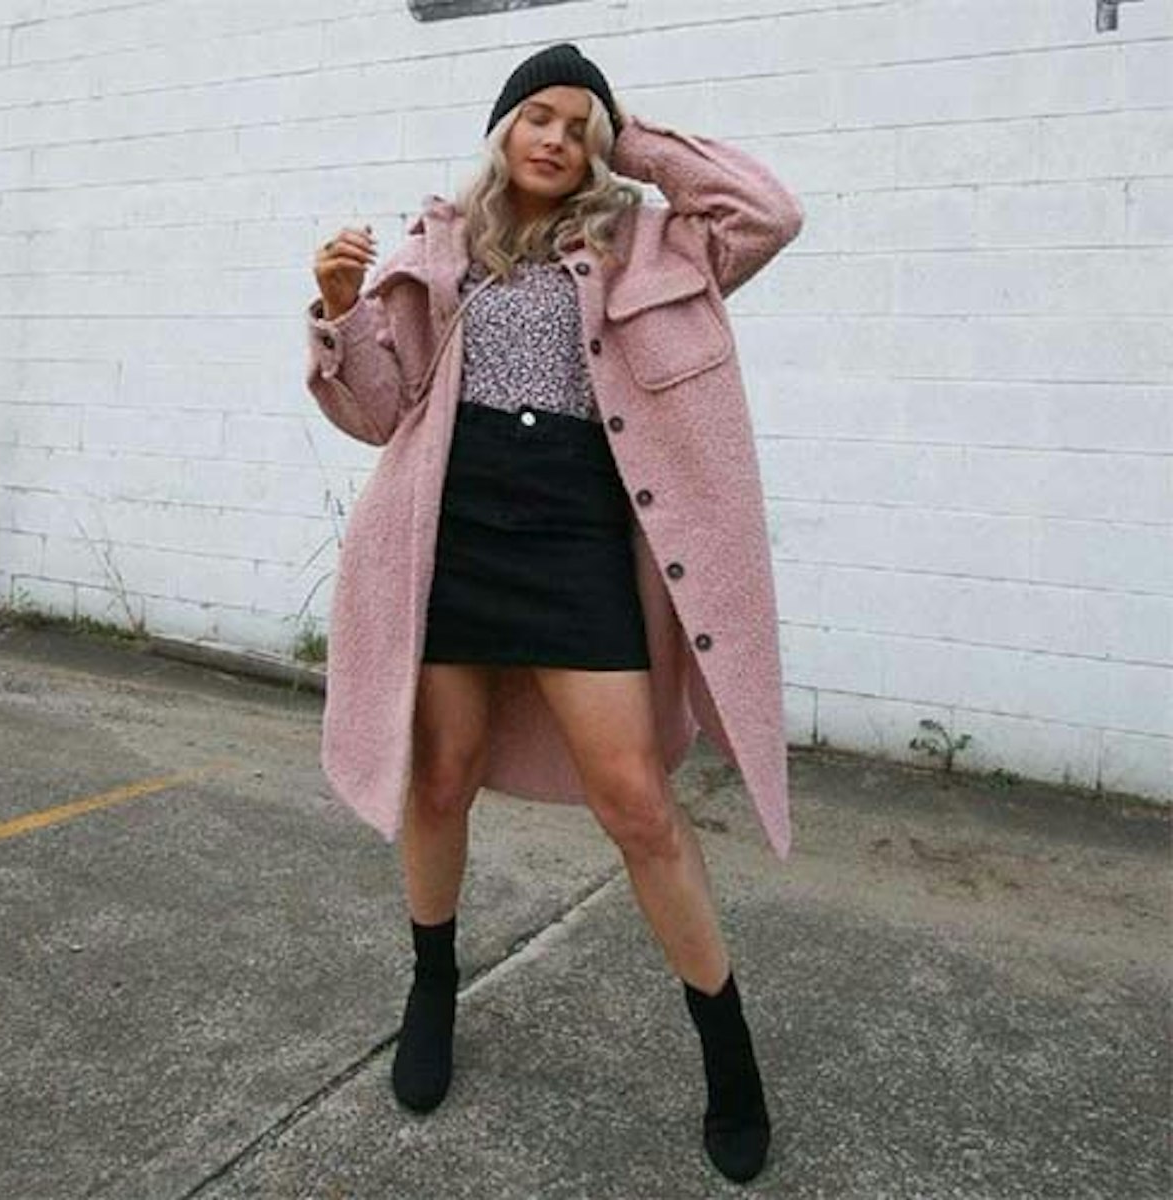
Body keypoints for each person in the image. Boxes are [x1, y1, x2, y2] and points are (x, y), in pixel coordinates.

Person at [306, 41, 803, 1185]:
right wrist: (339, 311)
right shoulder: (440, 251)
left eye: (580, 127)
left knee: (637, 803)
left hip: (578, 546)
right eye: (539, 115)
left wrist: (632, 137)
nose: (557, 138)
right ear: (501, 131)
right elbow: (379, 413)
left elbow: (769, 213)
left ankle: (727, 1050)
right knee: (440, 778)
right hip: (456, 547)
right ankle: (433, 985)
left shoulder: (652, 243)